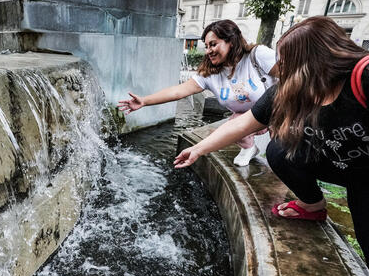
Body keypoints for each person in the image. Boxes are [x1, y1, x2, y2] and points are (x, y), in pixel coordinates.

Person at [173, 16, 369, 276]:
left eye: (286, 63)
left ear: (314, 59)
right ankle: (312, 205)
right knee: (280, 150)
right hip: (340, 162)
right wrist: (199, 150)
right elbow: (243, 124)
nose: (279, 69)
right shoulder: (292, 89)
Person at [118, 19, 277, 166]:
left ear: (231, 41)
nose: (208, 51)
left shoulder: (257, 56)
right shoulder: (211, 74)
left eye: (213, 44)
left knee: (281, 150)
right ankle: (249, 147)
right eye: (207, 46)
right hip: (249, 120)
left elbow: (293, 79)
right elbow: (178, 91)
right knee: (234, 123)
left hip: (277, 112)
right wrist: (145, 101)